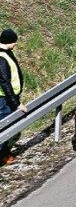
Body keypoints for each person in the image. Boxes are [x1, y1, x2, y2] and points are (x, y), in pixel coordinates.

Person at [0, 29, 28, 166]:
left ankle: (4, 154)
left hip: (7, 98)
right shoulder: (2, 58)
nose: (16, 43)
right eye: (14, 41)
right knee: (4, 128)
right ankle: (3, 155)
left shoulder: (5, 54)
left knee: (6, 127)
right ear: (10, 42)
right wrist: (17, 103)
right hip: (3, 100)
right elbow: (5, 83)